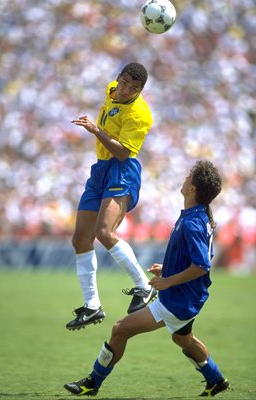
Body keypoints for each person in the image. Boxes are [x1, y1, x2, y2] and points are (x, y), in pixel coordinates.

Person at [64, 160, 230, 397]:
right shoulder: (196, 215)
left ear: (193, 188)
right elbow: (199, 258)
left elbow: (202, 265)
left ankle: (92, 383)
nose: (184, 178)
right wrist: (168, 269)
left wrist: (168, 281)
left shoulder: (193, 221)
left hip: (178, 300)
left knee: (120, 329)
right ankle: (216, 380)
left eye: (188, 176)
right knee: (183, 339)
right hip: (189, 297)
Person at [66, 62, 156, 331]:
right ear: (118, 79)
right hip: (100, 169)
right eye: (125, 83)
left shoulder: (140, 113)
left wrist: (95, 130)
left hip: (121, 170)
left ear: (141, 90)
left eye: (134, 88)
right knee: (80, 238)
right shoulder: (112, 90)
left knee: (105, 232)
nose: (126, 90)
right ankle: (92, 305)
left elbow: (122, 153)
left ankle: (144, 286)